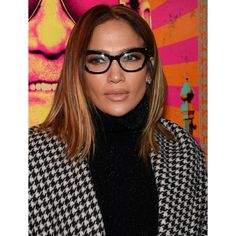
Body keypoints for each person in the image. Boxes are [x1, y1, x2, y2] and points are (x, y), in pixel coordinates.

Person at [29, 4, 207, 236]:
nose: (115, 76)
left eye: (131, 57)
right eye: (99, 60)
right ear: (78, 72)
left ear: (149, 70)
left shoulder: (183, 151)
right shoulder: (31, 158)